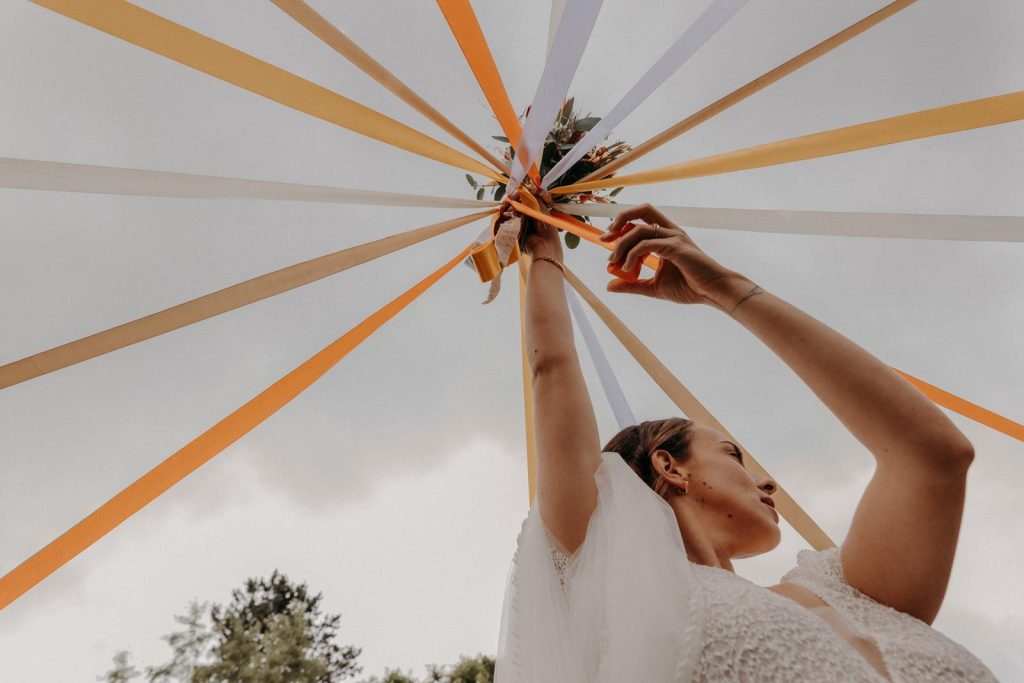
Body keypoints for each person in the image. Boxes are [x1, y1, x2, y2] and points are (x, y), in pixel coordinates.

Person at [493, 204, 997, 682]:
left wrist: (725, 289)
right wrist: (546, 256)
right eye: (734, 454)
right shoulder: (612, 581)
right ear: (669, 467)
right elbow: (552, 369)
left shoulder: (844, 591)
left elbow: (935, 456)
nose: (769, 481)